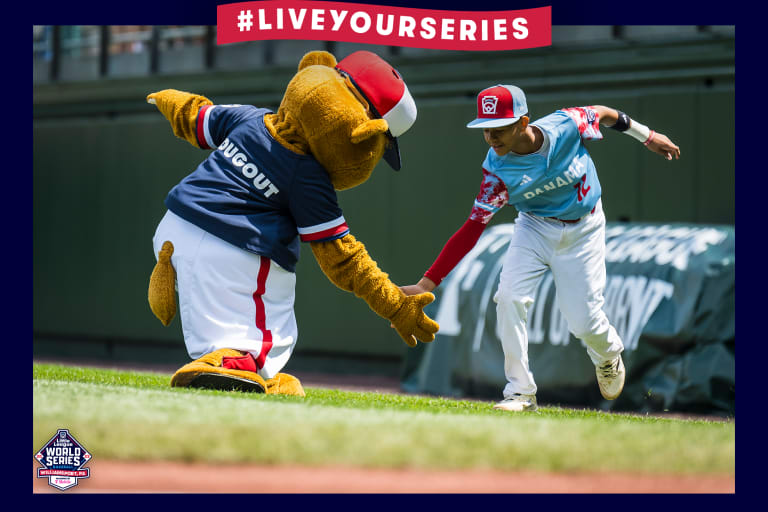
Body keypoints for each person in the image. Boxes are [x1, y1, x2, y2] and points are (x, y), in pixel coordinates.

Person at [401, 84, 680, 412]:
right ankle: (520, 392)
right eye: (485, 129)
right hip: (534, 227)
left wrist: (647, 136)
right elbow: (472, 229)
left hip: (585, 226)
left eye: (499, 128)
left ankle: (608, 354)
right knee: (508, 298)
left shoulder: (566, 125)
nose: (491, 138)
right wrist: (426, 284)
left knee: (583, 322)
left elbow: (604, 114)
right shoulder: (496, 171)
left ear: (523, 122)